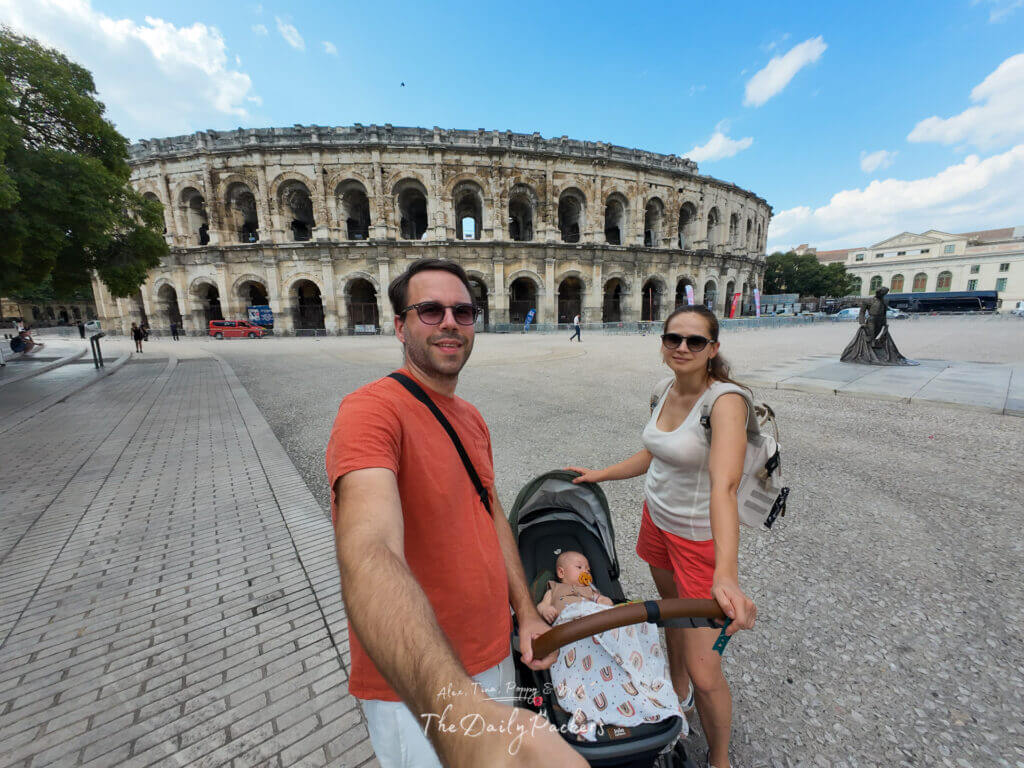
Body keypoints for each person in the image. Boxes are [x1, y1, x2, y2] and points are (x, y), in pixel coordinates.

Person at [326, 258, 586, 768]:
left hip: (494, 653)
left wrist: (527, 614)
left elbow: (491, 518)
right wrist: (455, 704)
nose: (450, 321)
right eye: (430, 310)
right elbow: (368, 550)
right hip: (421, 682)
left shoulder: (470, 418)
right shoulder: (369, 411)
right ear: (399, 325)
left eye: (463, 311)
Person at [567, 305, 757, 768]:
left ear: (713, 348)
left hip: (696, 541)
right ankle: (676, 695)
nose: (683, 348)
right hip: (657, 523)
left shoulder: (725, 403)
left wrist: (726, 575)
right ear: (663, 343)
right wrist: (603, 474)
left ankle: (720, 758)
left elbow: (725, 487)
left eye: (695, 341)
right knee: (670, 617)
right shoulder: (663, 389)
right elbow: (653, 452)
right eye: (674, 338)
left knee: (706, 668)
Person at [536, 551, 613, 623]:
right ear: (561, 572)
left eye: (588, 570)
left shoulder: (589, 590)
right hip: (565, 624)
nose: (585, 572)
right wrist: (545, 610)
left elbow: (602, 599)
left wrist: (604, 601)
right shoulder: (554, 589)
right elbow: (542, 605)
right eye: (579, 567)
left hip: (591, 621)